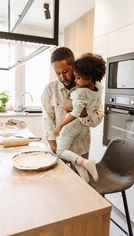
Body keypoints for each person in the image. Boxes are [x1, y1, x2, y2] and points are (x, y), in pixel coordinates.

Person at [41, 47, 104, 177]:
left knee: (80, 187)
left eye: (65, 71)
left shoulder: (91, 87)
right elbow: (47, 119)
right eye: (57, 73)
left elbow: (96, 120)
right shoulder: (49, 90)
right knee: (59, 187)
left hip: (81, 149)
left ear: (74, 68)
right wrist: (52, 142)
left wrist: (77, 108)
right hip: (58, 146)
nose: (62, 77)